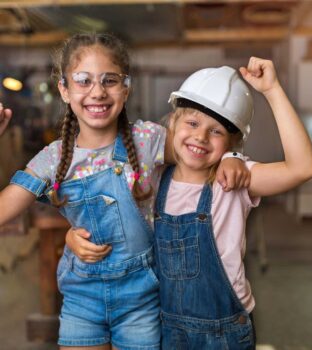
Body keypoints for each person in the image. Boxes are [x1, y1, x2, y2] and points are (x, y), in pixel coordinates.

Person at [0, 33, 249, 350]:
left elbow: (200, 145)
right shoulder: (52, 159)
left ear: (126, 88)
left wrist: (232, 156)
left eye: (110, 80)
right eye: (83, 80)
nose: (98, 92)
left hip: (141, 302)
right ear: (64, 89)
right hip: (82, 301)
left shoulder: (148, 140)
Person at [67, 57, 312, 349]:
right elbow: (109, 218)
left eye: (216, 131)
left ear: (232, 143)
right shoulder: (152, 178)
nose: (200, 136)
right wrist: (73, 237)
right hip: (163, 327)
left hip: (224, 334)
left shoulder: (234, 181)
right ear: (173, 122)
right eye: (193, 122)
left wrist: (272, 89)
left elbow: (303, 168)